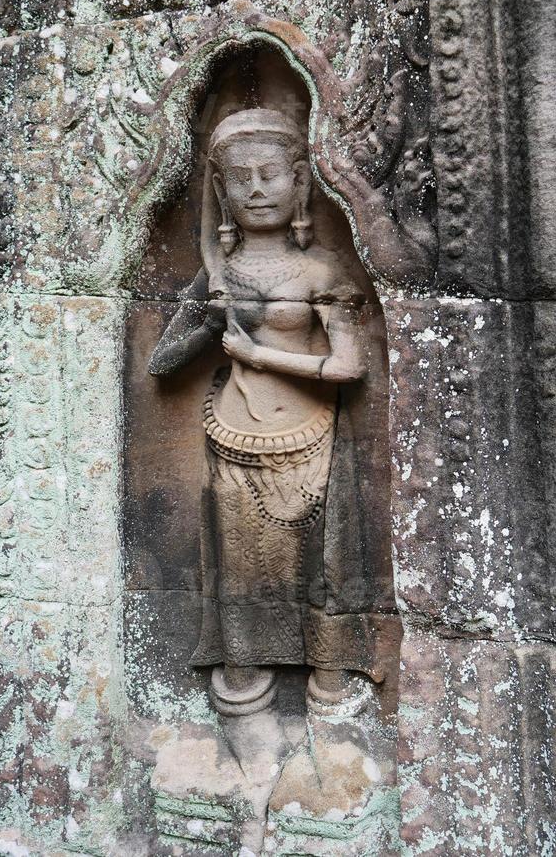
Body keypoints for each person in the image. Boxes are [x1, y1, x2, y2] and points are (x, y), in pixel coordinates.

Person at [149, 108, 395, 716]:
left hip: (307, 439)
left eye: (270, 175)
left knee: (320, 563)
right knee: (239, 567)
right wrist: (207, 314)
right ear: (222, 192)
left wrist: (258, 352)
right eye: (240, 178)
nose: (256, 190)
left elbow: (349, 367)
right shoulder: (217, 272)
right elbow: (161, 364)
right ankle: (243, 681)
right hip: (231, 438)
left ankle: (328, 683)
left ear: (300, 182)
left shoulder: (320, 270)